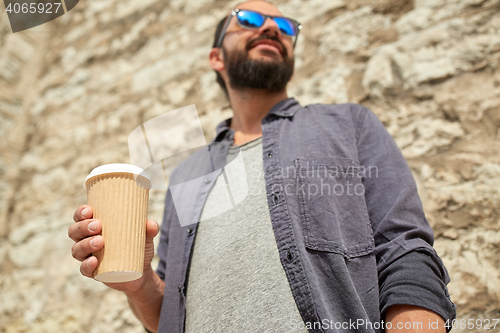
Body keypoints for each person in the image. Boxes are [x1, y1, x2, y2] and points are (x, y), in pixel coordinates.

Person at [69, 1, 457, 332]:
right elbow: (168, 315)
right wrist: (139, 284)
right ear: (216, 57)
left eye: (286, 26)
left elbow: (404, 251)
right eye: (249, 19)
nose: (272, 26)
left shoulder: (349, 124)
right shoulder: (190, 171)